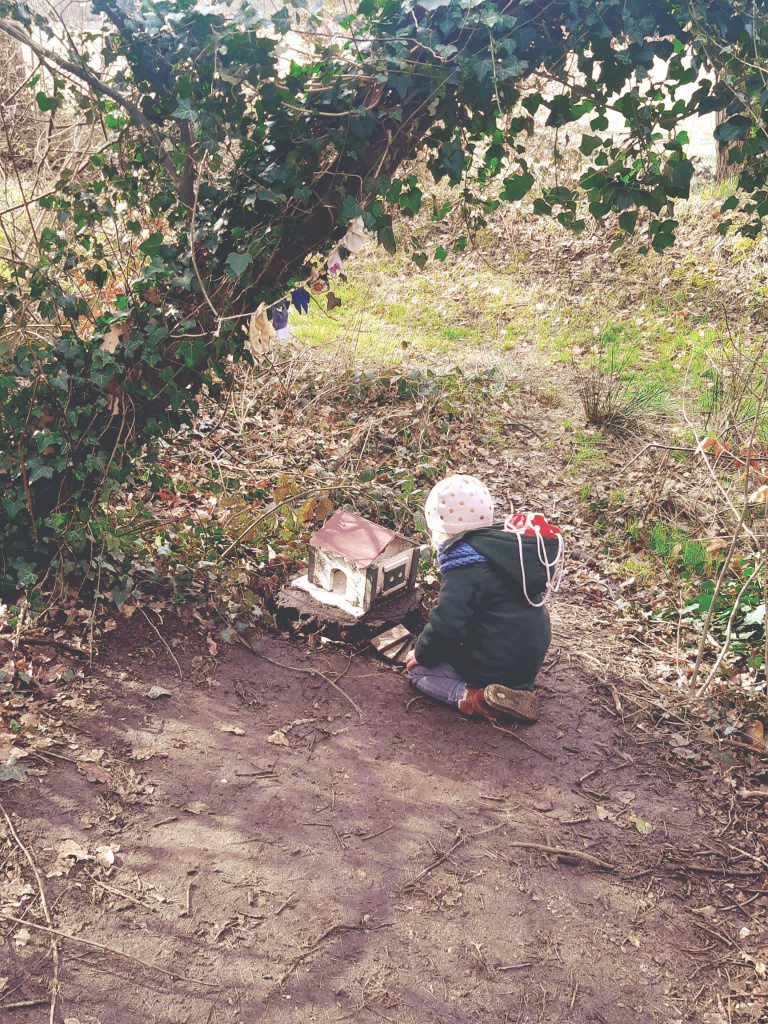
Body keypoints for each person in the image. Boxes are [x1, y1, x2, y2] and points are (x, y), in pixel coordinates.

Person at [405, 474, 563, 723]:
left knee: (421, 673)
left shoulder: (465, 565)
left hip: (492, 663)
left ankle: (478, 699)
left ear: (443, 531)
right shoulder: (508, 548)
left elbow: (447, 626)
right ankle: (514, 688)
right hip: (526, 661)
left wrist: (423, 653)